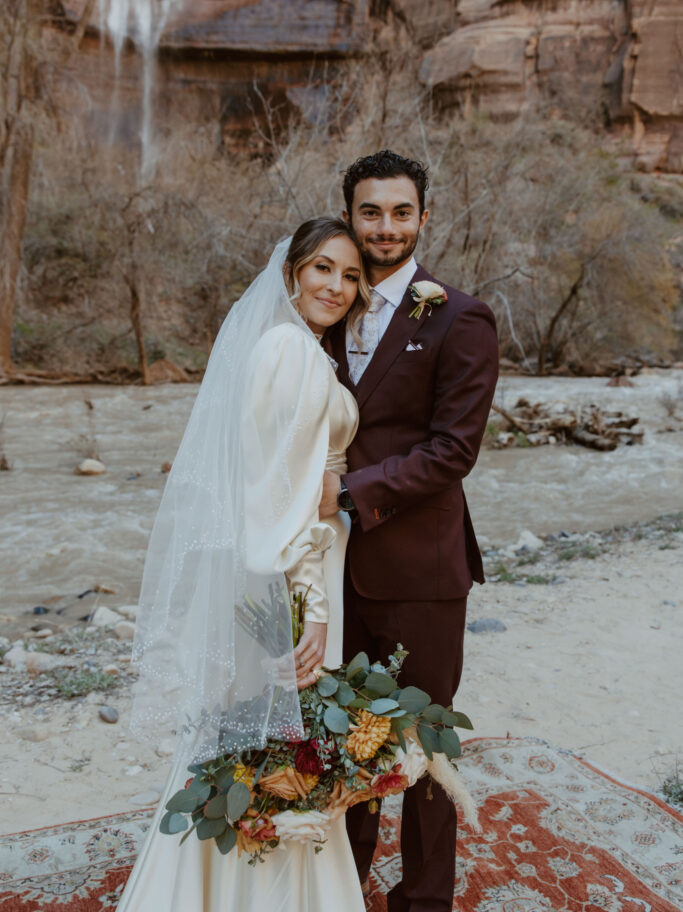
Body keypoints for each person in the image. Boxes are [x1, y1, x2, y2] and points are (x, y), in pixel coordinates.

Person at [116, 218, 369, 912]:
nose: (336, 286)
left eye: (350, 276)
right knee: (270, 743)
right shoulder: (287, 350)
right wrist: (309, 608)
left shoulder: (304, 351)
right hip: (288, 577)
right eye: (322, 268)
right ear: (291, 273)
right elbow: (277, 501)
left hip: (302, 563)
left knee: (269, 742)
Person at [322, 150, 499, 912]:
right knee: (345, 733)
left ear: (423, 218)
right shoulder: (323, 305)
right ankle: (338, 882)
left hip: (421, 570)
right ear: (349, 215)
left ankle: (423, 898)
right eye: (370, 212)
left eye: (400, 212)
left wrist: (348, 492)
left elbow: (453, 449)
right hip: (329, 569)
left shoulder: (460, 316)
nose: (385, 227)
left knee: (425, 745)